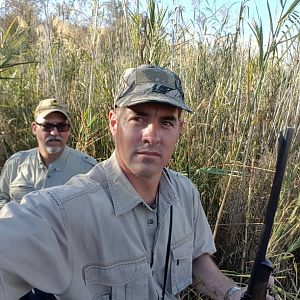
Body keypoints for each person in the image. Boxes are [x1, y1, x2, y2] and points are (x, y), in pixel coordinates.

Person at [0, 65, 273, 300]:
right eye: (138, 118)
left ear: (180, 130)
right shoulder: (66, 209)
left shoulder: (185, 193)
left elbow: (195, 260)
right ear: (114, 122)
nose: (152, 136)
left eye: (166, 122)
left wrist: (233, 294)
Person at [0, 98, 97, 300]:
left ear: (69, 130)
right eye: (47, 126)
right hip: (18, 266)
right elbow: (2, 199)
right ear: (34, 128)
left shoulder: (87, 168)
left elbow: (97, 219)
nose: (54, 133)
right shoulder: (16, 163)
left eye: (62, 126)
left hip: (65, 270)